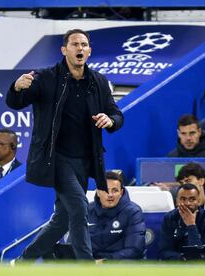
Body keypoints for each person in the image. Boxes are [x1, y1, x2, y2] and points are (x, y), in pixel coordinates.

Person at [6, 29, 124, 261]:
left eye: (84, 45)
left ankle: (23, 262)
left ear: (89, 51)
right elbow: (15, 103)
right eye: (74, 44)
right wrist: (17, 87)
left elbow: (117, 115)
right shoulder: (46, 77)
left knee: (62, 220)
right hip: (56, 158)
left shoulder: (98, 81)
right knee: (80, 208)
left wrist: (110, 120)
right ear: (64, 50)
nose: (79, 48)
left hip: (85, 159)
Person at [88, 171, 145, 261]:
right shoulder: (87, 211)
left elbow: (134, 250)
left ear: (121, 193)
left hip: (122, 266)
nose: (110, 195)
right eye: (105, 190)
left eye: (115, 190)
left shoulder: (133, 212)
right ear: (98, 192)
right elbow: (74, 244)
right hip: (91, 265)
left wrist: (105, 262)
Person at [158, 184, 205, 260]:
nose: (187, 203)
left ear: (198, 201)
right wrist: (183, 258)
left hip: (203, 268)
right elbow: (164, 250)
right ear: (176, 201)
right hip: (176, 264)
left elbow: (203, 255)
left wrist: (191, 225)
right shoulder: (169, 218)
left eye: (192, 199)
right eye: (183, 199)